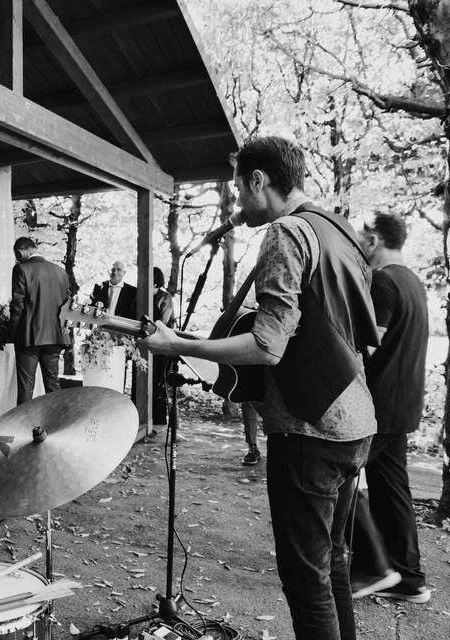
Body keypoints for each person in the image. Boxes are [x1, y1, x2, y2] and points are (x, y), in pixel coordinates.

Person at [140, 136, 378, 640]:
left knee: (306, 581)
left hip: (308, 431)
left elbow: (269, 346)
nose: (237, 202)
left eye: (237, 189)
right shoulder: (338, 229)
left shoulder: (286, 234)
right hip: (355, 421)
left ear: (258, 180)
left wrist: (183, 347)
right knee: (333, 564)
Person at [349, 211, 430, 603]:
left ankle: (372, 567)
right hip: (404, 405)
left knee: (336, 477)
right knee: (391, 490)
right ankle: (410, 580)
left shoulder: (383, 280)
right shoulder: (412, 281)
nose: (361, 242)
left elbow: (368, 344)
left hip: (379, 405)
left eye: (364, 236)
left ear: (376, 239)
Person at [8, 237, 71, 405]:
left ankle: (24, 428)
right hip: (56, 337)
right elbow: (67, 307)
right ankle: (57, 425)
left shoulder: (21, 269)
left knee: (26, 388)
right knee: (53, 384)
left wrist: (11, 335)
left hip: (29, 337)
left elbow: (17, 307)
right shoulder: (61, 271)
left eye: (17, 256)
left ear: (20, 253)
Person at [151, 267, 174, 424]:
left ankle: (158, 419)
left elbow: (162, 321)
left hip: (162, 345)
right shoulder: (141, 295)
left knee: (158, 380)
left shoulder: (165, 297)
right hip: (147, 344)